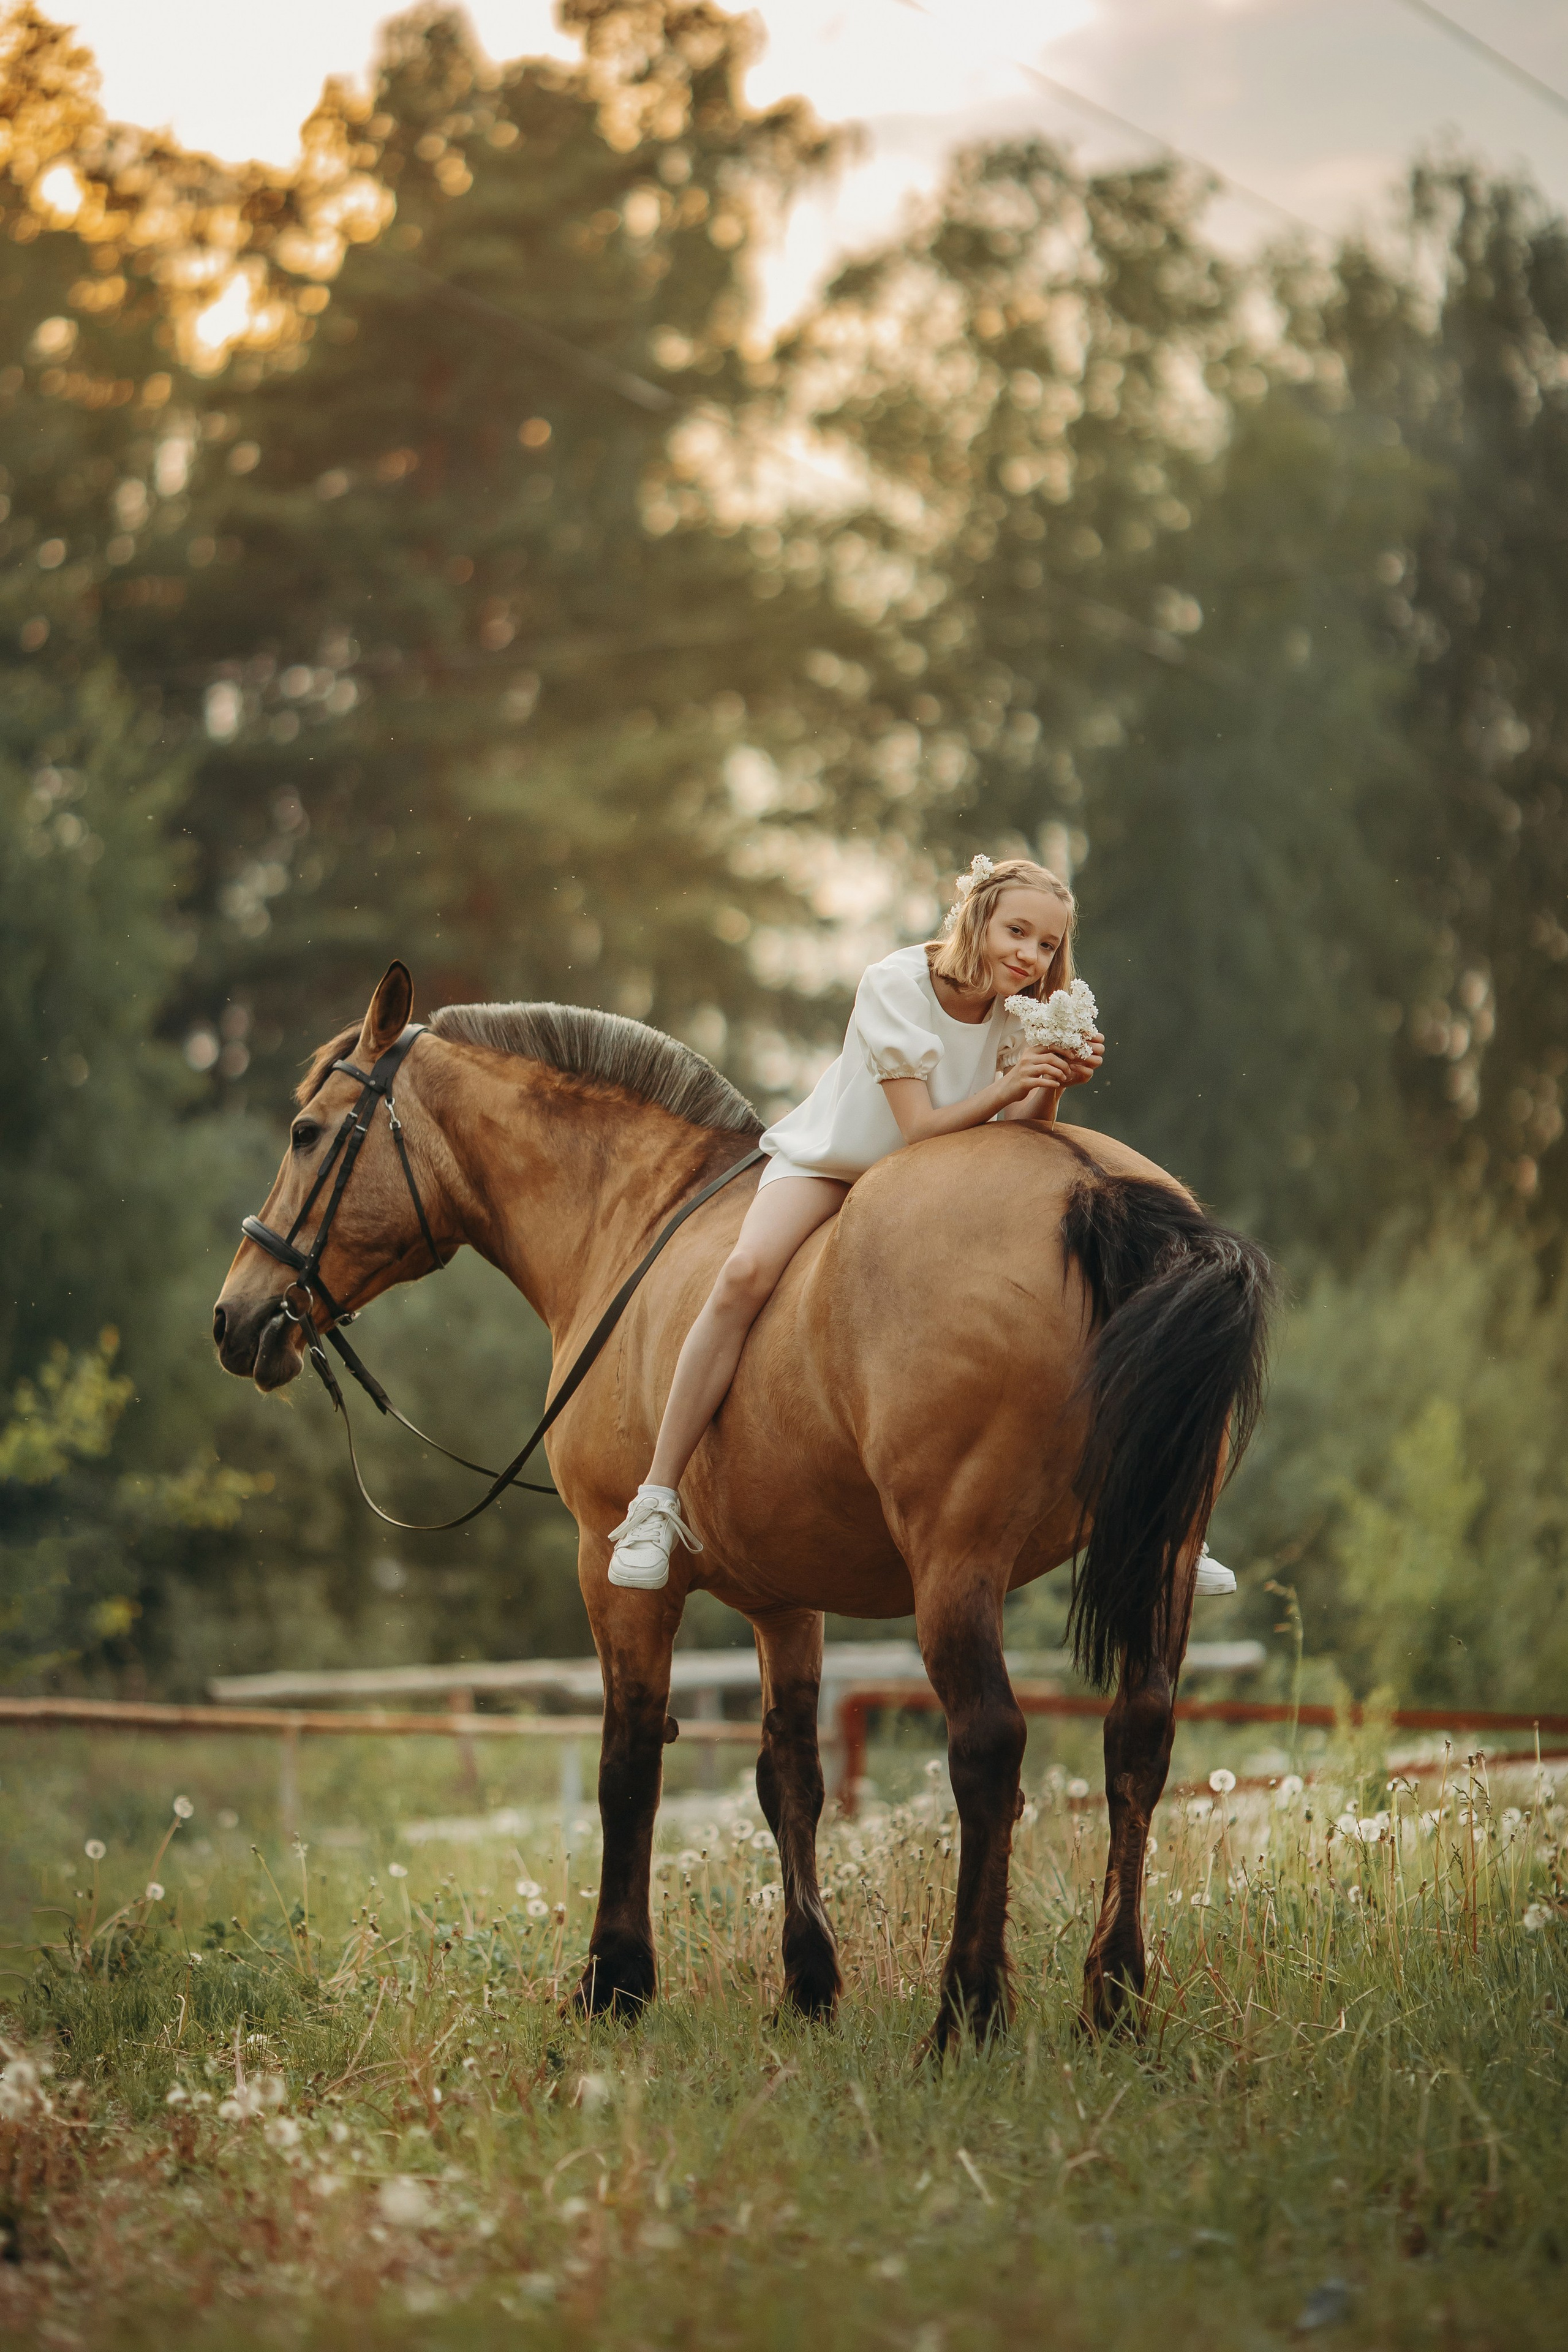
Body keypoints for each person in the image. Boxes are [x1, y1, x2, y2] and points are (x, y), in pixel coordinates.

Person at [606, 852, 1236, 1600]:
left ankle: (1163, 1520)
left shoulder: (1025, 1006)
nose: (1029, 957)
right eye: (1017, 932)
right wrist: (1009, 1080)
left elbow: (1016, 1132)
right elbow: (914, 1128)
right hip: (840, 1165)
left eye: (1045, 945)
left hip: (930, 1187)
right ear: (976, 917)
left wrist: (1049, 1081)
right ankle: (656, 1499)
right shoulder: (893, 985)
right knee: (743, 1276)